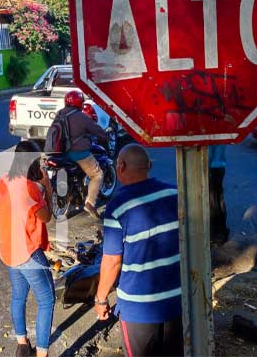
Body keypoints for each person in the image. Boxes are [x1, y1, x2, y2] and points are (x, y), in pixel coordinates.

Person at [95, 144, 183, 357]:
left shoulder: (117, 207)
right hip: (177, 302)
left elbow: (112, 262)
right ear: (149, 166)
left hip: (139, 309)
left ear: (121, 166)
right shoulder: (175, 194)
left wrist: (101, 299)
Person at [0, 140, 55, 357]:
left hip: (9, 250)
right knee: (47, 300)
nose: (41, 164)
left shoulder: (3, 179)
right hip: (27, 253)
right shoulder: (31, 189)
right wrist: (47, 187)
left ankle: (22, 346)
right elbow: (47, 216)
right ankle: (41, 354)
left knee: (19, 297)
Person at [52, 90, 108, 220]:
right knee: (97, 174)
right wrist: (104, 136)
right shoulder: (81, 116)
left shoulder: (59, 114)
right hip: (77, 153)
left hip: (59, 153)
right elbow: (95, 129)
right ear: (79, 103)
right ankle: (90, 203)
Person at [209, 145, 230, 244]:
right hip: (220, 165)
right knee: (218, 198)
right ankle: (221, 232)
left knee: (213, 200)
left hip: (210, 166)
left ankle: (216, 234)